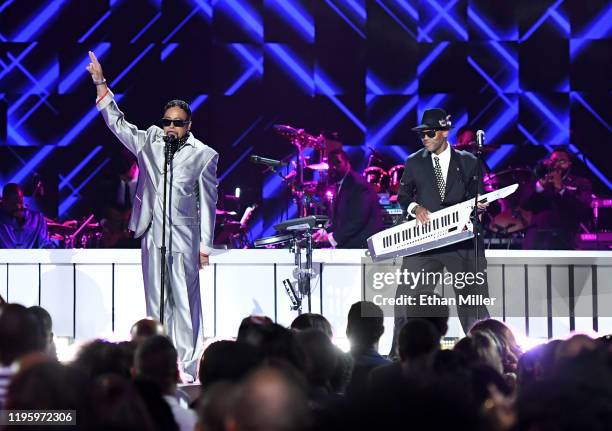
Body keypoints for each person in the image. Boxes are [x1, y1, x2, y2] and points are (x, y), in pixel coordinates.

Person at [87, 51, 218, 378]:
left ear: (189, 125)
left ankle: (187, 367)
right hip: (153, 233)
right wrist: (101, 83)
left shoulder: (204, 156)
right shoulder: (149, 141)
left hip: (185, 239)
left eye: (177, 123)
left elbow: (209, 203)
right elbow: (117, 124)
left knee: (185, 305)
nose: (171, 128)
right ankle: (159, 365)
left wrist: (205, 246)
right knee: (156, 303)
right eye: (167, 121)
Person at [394, 108, 490, 341]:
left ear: (445, 132)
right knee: (406, 298)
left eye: (429, 133)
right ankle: (399, 352)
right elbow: (403, 195)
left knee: (471, 301)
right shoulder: (414, 161)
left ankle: (484, 350)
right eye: (421, 134)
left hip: (461, 242)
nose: (425, 138)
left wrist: (479, 207)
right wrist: (415, 208)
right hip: (425, 242)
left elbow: (478, 196)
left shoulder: (469, 162)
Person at [522, 147, 592, 249]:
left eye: (562, 161)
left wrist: (561, 189)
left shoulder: (581, 183)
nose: (557, 164)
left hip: (565, 240)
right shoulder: (537, 179)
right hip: (536, 240)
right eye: (553, 161)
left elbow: (584, 212)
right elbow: (525, 206)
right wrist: (540, 187)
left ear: (569, 164)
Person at [313, 149, 384, 248]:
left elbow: (358, 221)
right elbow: (342, 220)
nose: (333, 167)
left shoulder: (358, 185)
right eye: (331, 164)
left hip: (363, 247)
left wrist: (332, 238)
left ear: (347, 164)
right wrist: (324, 232)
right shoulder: (343, 184)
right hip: (353, 244)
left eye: (337, 163)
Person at [0, 183, 51, 248]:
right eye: (13, 204)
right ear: (4, 201)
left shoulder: (37, 219)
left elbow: (45, 245)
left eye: (20, 202)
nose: (18, 207)